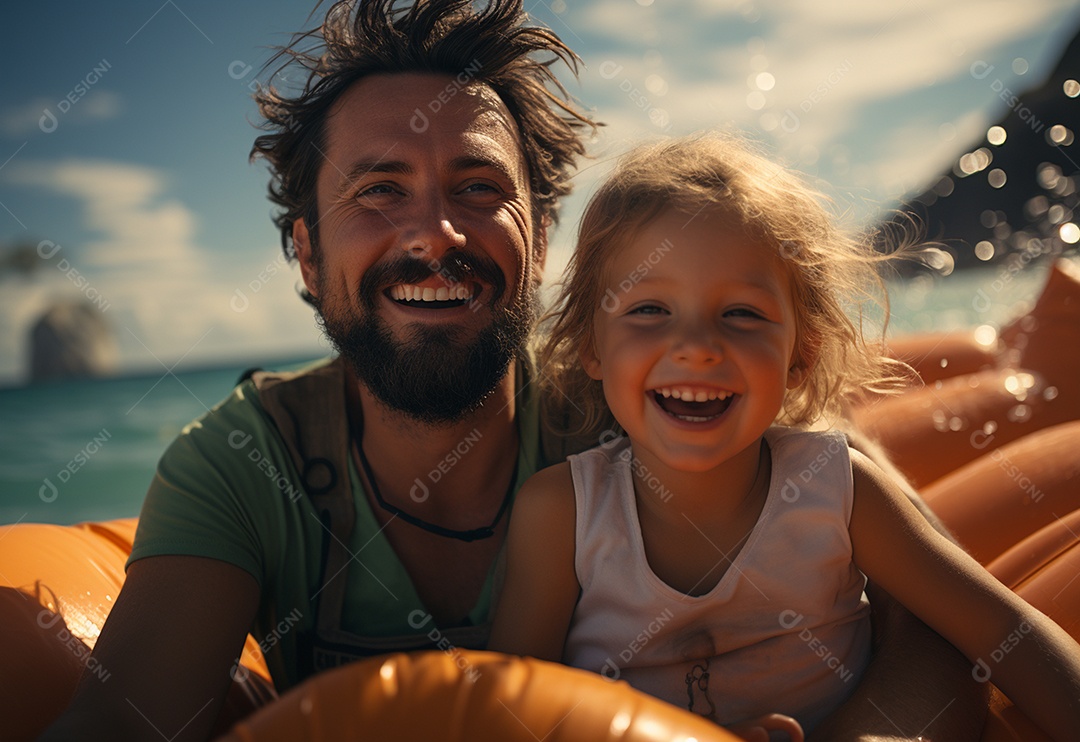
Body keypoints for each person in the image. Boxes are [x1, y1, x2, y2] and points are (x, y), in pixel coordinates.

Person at [40, 2, 992, 741]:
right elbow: (125, 723)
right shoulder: (242, 470)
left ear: (538, 241)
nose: (434, 234)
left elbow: (924, 619)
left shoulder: (649, 399)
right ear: (304, 251)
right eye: (379, 191)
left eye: (480, 189)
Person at [487, 133, 1080, 741]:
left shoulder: (839, 493)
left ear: (802, 353)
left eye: (741, 313)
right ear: (591, 344)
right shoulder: (562, 514)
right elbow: (511, 710)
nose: (696, 345)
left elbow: (1008, 634)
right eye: (649, 310)